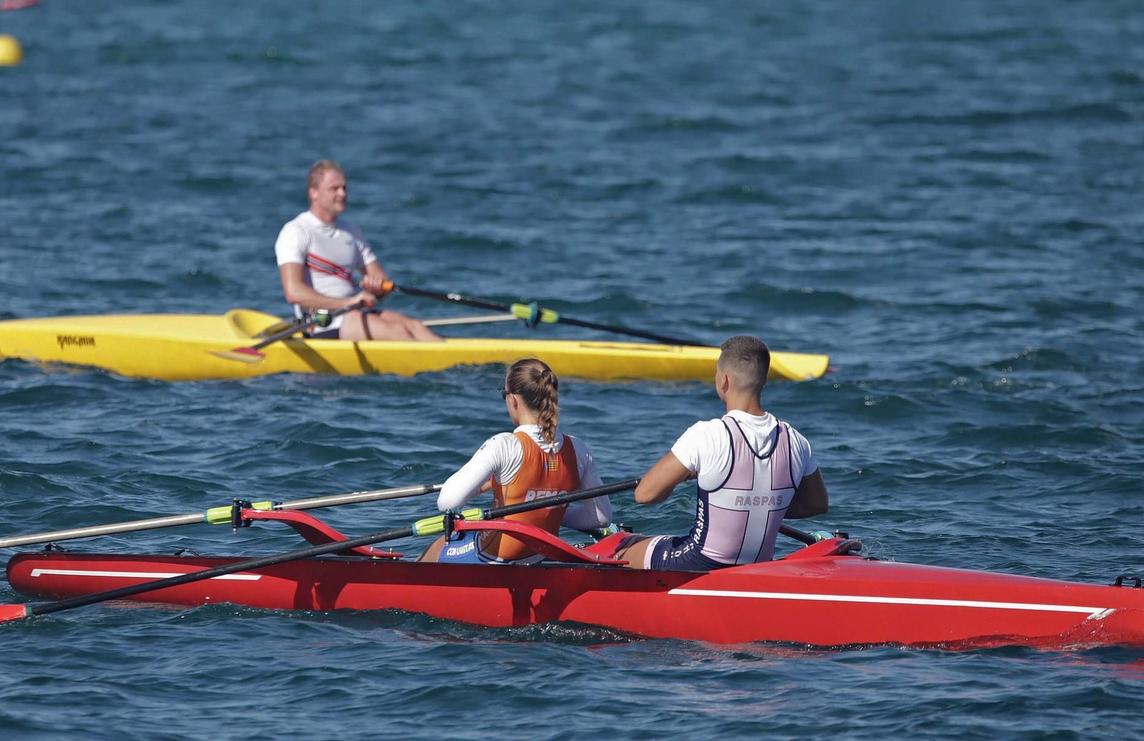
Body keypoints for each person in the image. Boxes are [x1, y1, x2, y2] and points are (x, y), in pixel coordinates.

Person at [615, 335, 828, 571]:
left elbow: (644, 494)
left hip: (698, 562)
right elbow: (817, 504)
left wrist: (680, 478)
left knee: (623, 551)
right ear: (764, 380)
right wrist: (761, 507)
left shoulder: (707, 434)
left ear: (724, 380)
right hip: (759, 566)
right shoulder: (796, 441)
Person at [420, 358, 611, 564]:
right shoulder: (578, 449)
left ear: (513, 400)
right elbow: (599, 518)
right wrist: (546, 510)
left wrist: (529, 506)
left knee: (441, 543)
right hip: (540, 555)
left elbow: (447, 502)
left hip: (491, 556)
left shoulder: (504, 445)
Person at [274, 160, 442, 342]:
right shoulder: (297, 231)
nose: (342, 194)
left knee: (415, 327)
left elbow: (384, 287)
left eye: (344, 188)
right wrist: (347, 302)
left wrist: (377, 287)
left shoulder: (351, 232)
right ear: (313, 192)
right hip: (322, 321)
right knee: (398, 333)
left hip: (353, 314)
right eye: (334, 189)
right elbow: (294, 292)